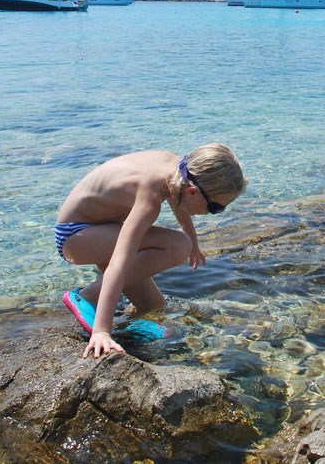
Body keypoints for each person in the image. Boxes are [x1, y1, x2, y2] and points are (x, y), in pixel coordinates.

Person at [55, 144, 247, 358]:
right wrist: (102, 331)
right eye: (215, 208)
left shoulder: (175, 169)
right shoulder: (149, 200)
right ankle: (87, 296)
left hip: (101, 231)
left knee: (153, 306)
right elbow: (119, 263)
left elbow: (178, 199)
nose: (214, 213)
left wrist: (194, 241)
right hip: (76, 237)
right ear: (193, 192)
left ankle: (127, 330)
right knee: (177, 246)